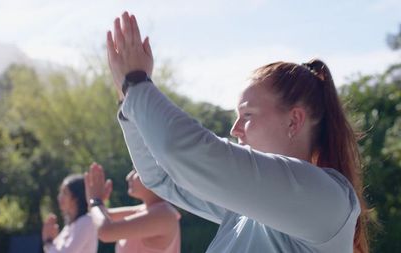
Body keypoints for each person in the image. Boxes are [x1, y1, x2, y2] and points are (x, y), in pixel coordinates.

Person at [106, 11, 370, 253]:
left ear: (294, 121)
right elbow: (162, 177)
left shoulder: (327, 199)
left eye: (247, 116)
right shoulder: (247, 208)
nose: (235, 130)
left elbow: (184, 154)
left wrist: (137, 84)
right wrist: (128, 100)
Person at [84, 163, 181, 253]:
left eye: (136, 171)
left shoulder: (164, 215)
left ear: (157, 176)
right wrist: (96, 202)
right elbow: (100, 216)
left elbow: (105, 231)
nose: (128, 177)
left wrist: (95, 201)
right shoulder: (146, 210)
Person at [42, 174, 98, 253]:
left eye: (65, 193)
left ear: (76, 198)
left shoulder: (86, 222)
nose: (59, 197)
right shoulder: (68, 227)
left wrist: (48, 241)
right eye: (60, 192)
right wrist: (51, 241)